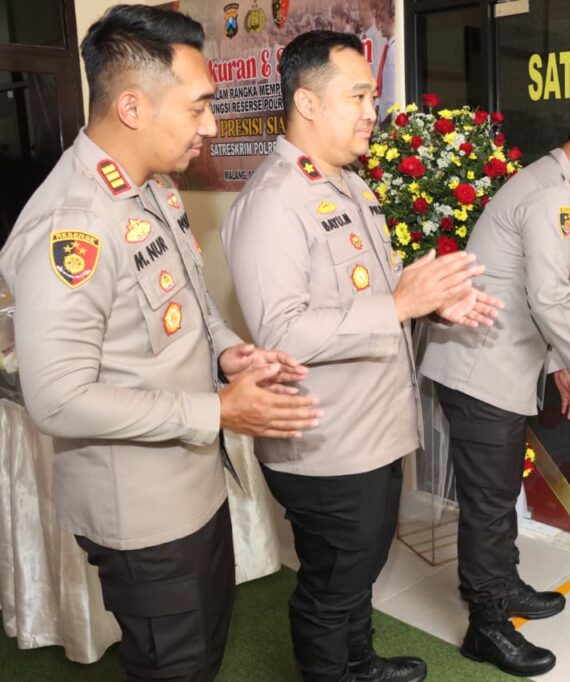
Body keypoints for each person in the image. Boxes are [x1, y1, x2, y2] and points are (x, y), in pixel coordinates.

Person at [0, 5, 323, 681]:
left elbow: (189, 305)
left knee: (202, 653)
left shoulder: (153, 189)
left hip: (193, 482)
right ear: (132, 107)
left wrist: (227, 351)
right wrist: (218, 411)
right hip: (142, 512)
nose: (211, 125)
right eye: (198, 105)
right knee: (175, 666)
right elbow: (56, 399)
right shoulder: (74, 224)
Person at [221, 30, 501, 682]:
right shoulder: (274, 201)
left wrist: (431, 305)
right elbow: (282, 332)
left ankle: (359, 663)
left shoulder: (348, 185)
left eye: (372, 97)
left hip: (369, 432)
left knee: (360, 568)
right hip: (324, 443)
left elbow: (370, 295)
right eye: (358, 96)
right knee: (332, 584)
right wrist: (399, 305)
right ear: (307, 102)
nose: (372, 111)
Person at [419, 103, 570, 677]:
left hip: (490, 368)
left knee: (496, 492)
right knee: (489, 504)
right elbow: (549, 297)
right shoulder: (552, 199)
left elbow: (525, 290)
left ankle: (503, 584)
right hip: (482, 374)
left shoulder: (544, 183)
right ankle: (486, 625)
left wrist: (560, 365)